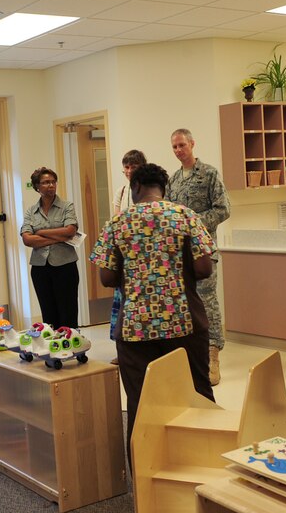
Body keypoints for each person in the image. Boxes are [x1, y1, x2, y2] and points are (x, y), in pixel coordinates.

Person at [90, 162, 216, 465]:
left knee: (140, 402)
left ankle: (146, 476)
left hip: (136, 327)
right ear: (165, 190)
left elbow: (106, 278)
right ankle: (207, 464)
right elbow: (204, 268)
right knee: (197, 393)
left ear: (135, 188)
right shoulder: (185, 216)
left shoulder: (118, 223)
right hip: (184, 323)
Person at [165, 128, 230, 385]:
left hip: (203, 250)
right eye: (174, 147)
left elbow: (223, 209)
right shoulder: (173, 180)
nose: (179, 150)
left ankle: (213, 355)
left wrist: (193, 222)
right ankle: (191, 354)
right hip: (180, 254)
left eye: (182, 145)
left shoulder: (209, 173)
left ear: (192, 144)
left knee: (207, 301)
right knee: (184, 304)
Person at [20, 167, 79, 329]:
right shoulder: (31, 211)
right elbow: (27, 239)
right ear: (37, 187)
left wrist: (41, 232)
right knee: (48, 312)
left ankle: (70, 345)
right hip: (40, 268)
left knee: (68, 310)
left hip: (65, 265)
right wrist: (58, 237)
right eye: (46, 182)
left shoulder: (67, 206)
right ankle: (52, 348)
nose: (51, 185)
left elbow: (70, 231)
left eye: (53, 182)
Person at [108, 150, 147, 364]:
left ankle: (144, 351)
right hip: (125, 257)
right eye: (126, 167)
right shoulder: (121, 192)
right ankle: (122, 350)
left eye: (133, 166)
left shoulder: (150, 191)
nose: (129, 170)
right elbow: (116, 221)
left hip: (144, 258)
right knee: (121, 306)